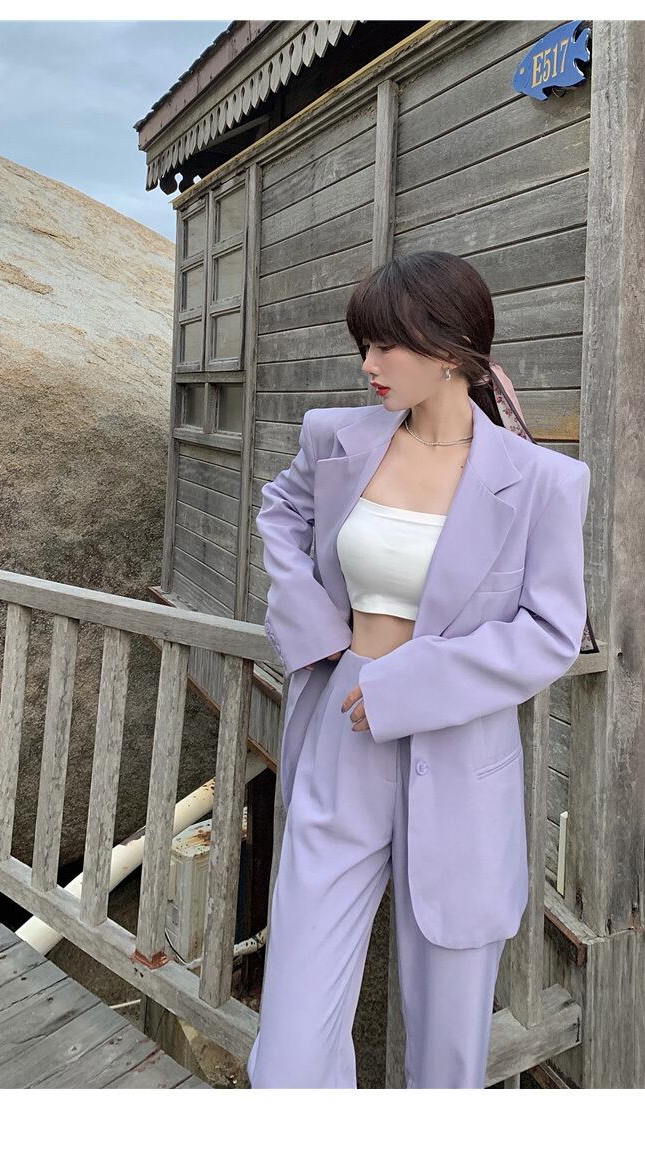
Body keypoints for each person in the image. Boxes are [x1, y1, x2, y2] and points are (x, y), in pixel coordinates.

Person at [247, 251, 592, 1089]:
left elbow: (552, 631)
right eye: (364, 344)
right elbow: (280, 513)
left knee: (447, 1048)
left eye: (385, 346)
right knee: (290, 1049)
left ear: (449, 351)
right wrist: (318, 632)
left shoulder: (544, 481)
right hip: (342, 734)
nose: (368, 365)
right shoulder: (338, 438)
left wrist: (407, 686)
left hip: (460, 756)